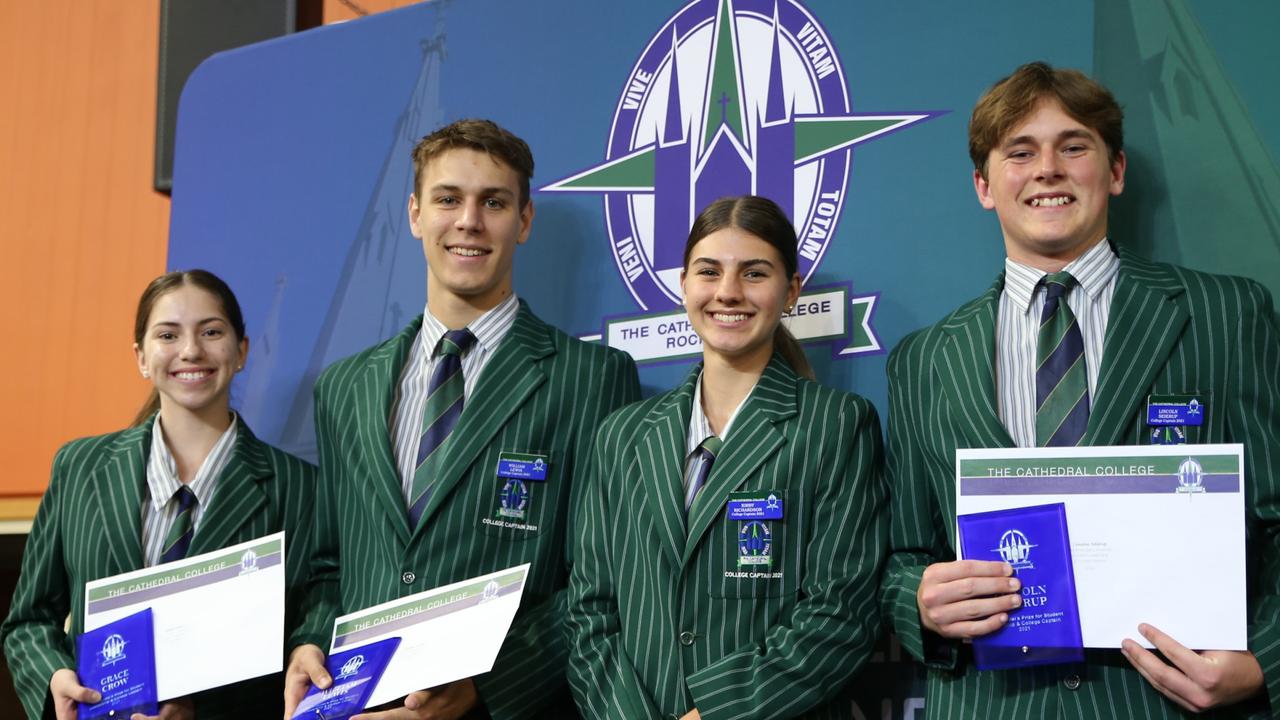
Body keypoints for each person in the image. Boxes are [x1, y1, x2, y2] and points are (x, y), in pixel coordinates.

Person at [880, 61, 1280, 718]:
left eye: (1073, 146)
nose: (1047, 169)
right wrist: (918, 601)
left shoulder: (1225, 315)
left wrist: (1266, 657)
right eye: (1020, 152)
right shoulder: (924, 360)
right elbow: (904, 553)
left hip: (1163, 704)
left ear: (1115, 171)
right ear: (984, 185)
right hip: (992, 703)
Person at [284, 118, 640, 720]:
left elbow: (607, 574)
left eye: (493, 202)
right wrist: (310, 642)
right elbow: (329, 563)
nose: (469, 221)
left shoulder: (591, 377)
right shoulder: (345, 387)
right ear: (416, 213)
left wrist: (487, 686)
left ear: (523, 222)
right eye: (448, 199)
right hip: (362, 706)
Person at [567, 195, 888, 719]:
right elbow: (590, 614)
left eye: (754, 273)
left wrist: (716, 714)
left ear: (791, 292)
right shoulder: (621, 437)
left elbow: (840, 613)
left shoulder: (836, 424)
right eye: (709, 272)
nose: (728, 292)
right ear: (684, 285)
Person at [1, 269, 316, 720]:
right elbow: (28, 621)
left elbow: (305, 632)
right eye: (168, 334)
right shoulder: (80, 468)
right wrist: (55, 676)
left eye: (211, 331)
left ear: (241, 351)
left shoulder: (299, 486)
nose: (190, 350)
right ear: (141, 357)